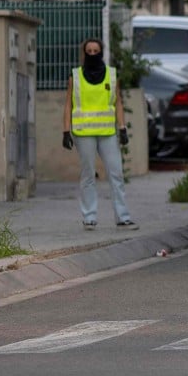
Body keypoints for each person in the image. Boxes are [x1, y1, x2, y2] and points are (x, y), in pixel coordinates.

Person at [62, 38, 138, 231]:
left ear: (102, 52)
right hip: (83, 133)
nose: (93, 54)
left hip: (107, 132)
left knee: (117, 173)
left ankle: (123, 217)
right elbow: (68, 104)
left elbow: (118, 102)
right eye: (89, 51)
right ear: (84, 53)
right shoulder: (75, 76)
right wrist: (65, 130)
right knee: (88, 175)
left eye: (96, 50)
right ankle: (89, 217)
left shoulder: (112, 76)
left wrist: (122, 128)